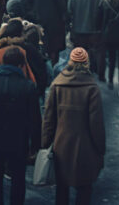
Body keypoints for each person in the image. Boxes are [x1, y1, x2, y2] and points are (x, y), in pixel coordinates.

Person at [0, 47, 41, 205]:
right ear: (21, 65)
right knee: (18, 177)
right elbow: (35, 118)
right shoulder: (28, 87)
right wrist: (36, 144)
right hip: (19, 139)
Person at [42, 48, 106, 205]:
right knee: (84, 190)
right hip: (86, 148)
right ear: (87, 63)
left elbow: (49, 119)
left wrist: (44, 143)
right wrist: (100, 148)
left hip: (61, 145)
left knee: (61, 190)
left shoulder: (57, 85)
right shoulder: (92, 88)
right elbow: (96, 124)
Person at [67, 0, 104, 78]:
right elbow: (101, 11)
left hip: (78, 29)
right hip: (93, 29)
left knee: (79, 53)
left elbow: (69, 10)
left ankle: (79, 73)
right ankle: (94, 72)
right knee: (94, 52)